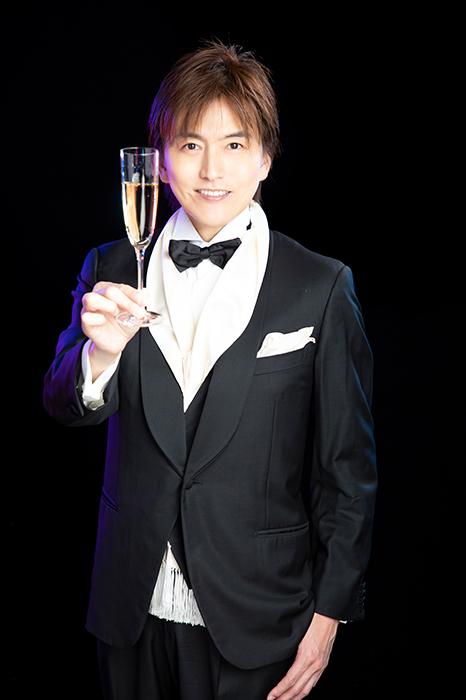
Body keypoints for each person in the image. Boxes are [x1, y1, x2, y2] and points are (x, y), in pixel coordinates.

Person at [44, 41, 377, 700]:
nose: (211, 170)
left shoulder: (320, 286)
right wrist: (101, 354)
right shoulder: (110, 266)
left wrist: (328, 619)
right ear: (161, 159)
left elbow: (347, 471)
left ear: (265, 157)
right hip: (130, 610)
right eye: (191, 145)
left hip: (260, 619)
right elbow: (61, 401)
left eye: (234, 144)